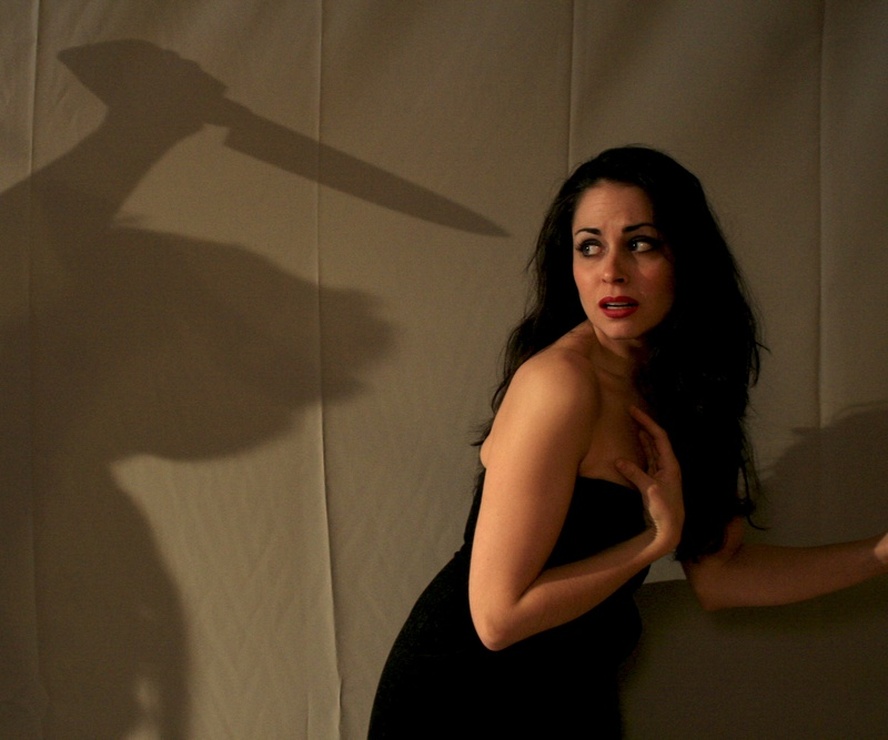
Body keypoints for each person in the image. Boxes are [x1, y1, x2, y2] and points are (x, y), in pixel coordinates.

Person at [368, 146, 888, 738]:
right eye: (589, 246)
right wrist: (651, 543)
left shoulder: (683, 388)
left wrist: (880, 553)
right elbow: (496, 619)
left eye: (640, 244)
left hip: (572, 689)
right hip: (463, 700)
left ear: (685, 255)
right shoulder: (560, 383)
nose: (611, 271)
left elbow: (720, 578)